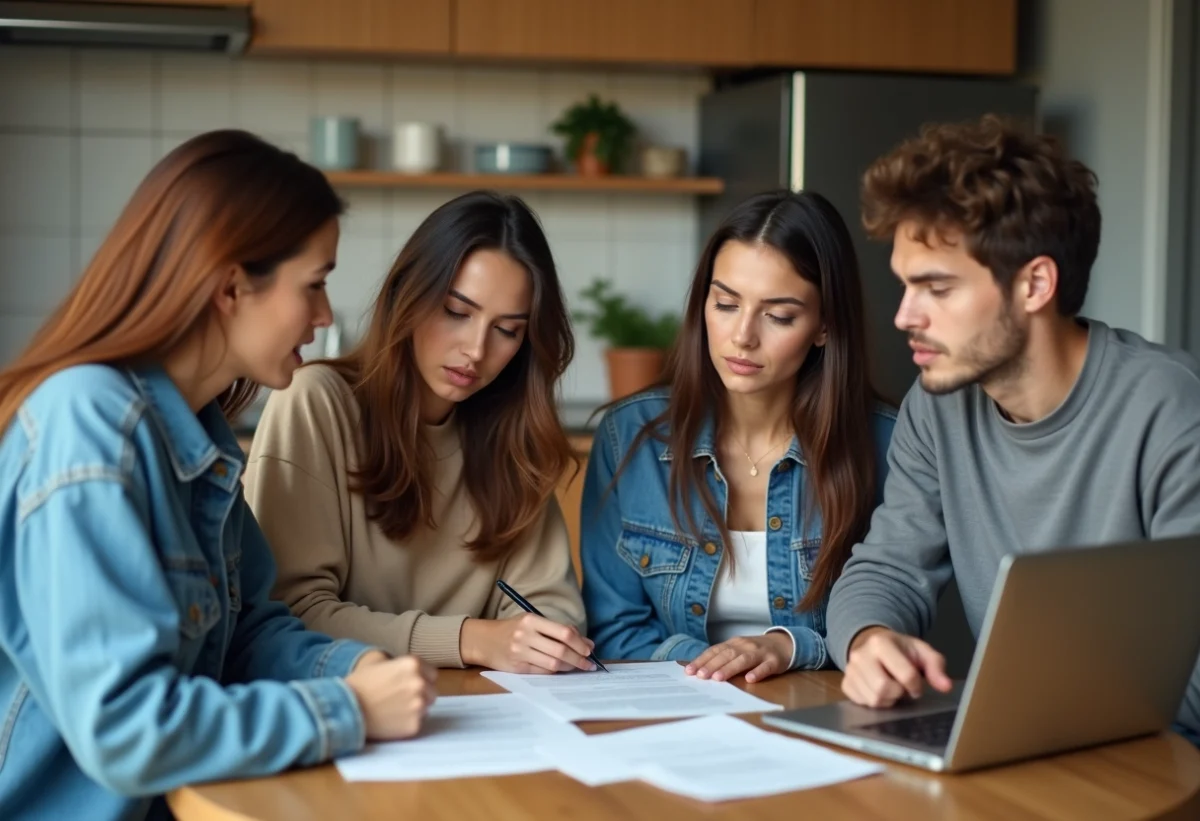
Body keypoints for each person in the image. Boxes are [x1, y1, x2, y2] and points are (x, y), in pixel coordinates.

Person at [0, 131, 437, 821]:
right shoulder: (87, 425)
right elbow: (125, 727)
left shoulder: (196, 434)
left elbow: (244, 631)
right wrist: (346, 709)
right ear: (232, 284)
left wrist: (350, 667)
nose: (326, 316)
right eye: (315, 284)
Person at [826, 115, 1200, 742]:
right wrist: (871, 640)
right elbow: (887, 569)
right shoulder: (937, 404)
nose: (903, 316)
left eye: (936, 288)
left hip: (1163, 763)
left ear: (1034, 283)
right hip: (1029, 745)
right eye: (904, 285)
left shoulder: (1171, 410)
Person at [244, 191, 593, 675]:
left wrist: (541, 642)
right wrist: (471, 639)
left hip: (487, 716)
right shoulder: (316, 401)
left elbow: (551, 616)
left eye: (507, 330)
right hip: (351, 708)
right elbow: (287, 614)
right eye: (456, 311)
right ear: (409, 294)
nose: (475, 349)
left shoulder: (515, 438)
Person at [581, 190, 896, 684]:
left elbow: (890, 624)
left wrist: (788, 647)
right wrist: (713, 665)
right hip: (673, 711)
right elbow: (614, 629)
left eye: (779, 315)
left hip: (822, 715)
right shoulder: (630, 437)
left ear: (825, 325)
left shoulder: (889, 445)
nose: (742, 336)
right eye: (725, 303)